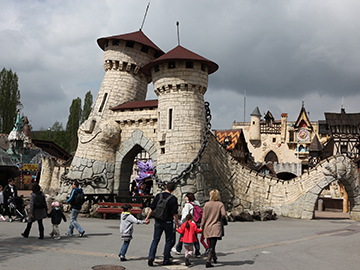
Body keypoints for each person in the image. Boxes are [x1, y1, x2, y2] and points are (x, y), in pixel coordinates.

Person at [146, 182, 179, 266]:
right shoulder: (173, 199)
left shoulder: (158, 196)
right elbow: (175, 214)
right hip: (168, 222)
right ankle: (166, 259)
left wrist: (147, 217)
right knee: (168, 241)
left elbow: (152, 208)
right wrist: (177, 223)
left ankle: (151, 257)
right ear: (173, 190)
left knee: (155, 240)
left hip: (158, 221)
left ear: (165, 187)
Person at [200, 189, 226, 268]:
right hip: (216, 226)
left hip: (207, 226)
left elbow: (204, 217)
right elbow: (223, 214)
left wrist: (201, 226)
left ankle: (214, 258)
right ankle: (208, 261)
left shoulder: (207, 204)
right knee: (212, 245)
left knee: (212, 243)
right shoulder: (220, 204)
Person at [173, 192, 201, 257]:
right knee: (195, 237)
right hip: (194, 222)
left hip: (187, 222)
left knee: (182, 235)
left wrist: (181, 222)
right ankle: (197, 251)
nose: (185, 198)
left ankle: (178, 249)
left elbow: (185, 215)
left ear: (188, 198)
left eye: (186, 197)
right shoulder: (196, 204)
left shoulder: (188, 205)